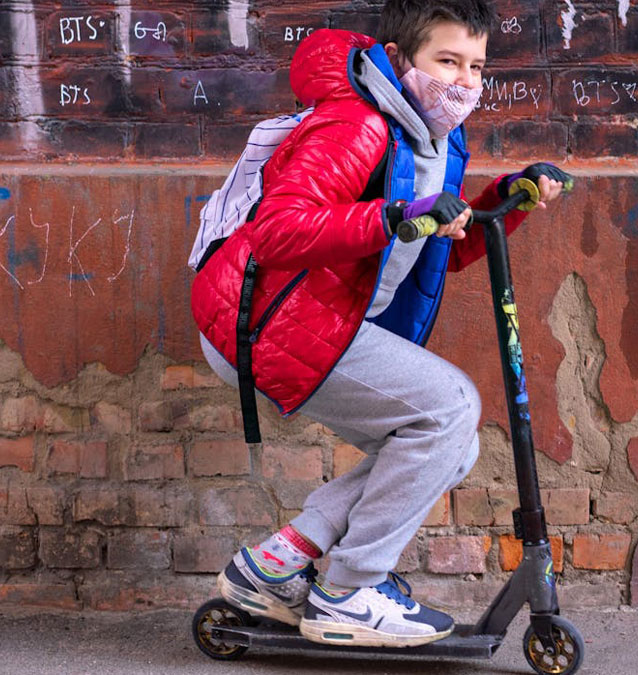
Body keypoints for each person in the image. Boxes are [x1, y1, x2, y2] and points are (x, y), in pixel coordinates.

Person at [189, 0, 569, 648]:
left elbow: (434, 247)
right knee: (450, 408)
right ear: (399, 60)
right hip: (264, 323)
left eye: (475, 66)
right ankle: (349, 591)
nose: (464, 83)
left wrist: (507, 198)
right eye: (446, 61)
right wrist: (391, 216)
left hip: (309, 319)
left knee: (455, 442)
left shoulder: (433, 136)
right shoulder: (356, 126)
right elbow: (277, 232)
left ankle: (276, 565)